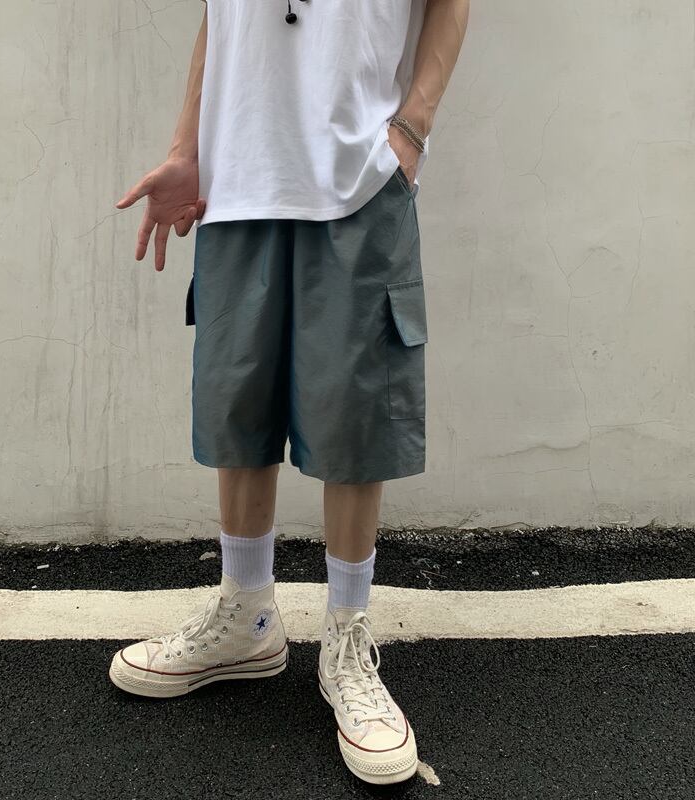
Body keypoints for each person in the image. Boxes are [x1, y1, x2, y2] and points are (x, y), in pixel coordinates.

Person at [109, 0, 468, 785]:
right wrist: (186, 149)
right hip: (238, 172)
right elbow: (221, 17)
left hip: (357, 175)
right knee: (236, 397)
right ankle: (246, 614)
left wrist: (411, 127)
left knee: (354, 409)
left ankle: (347, 640)